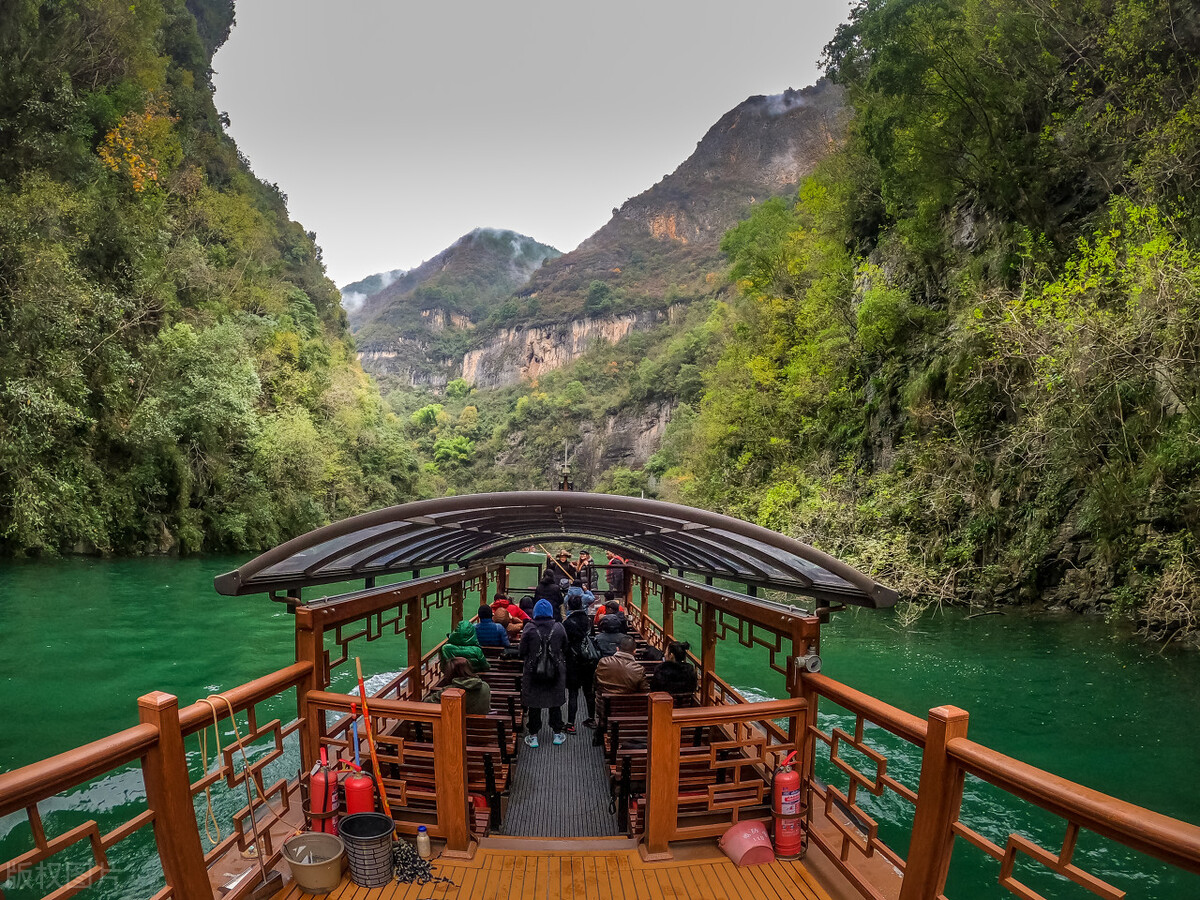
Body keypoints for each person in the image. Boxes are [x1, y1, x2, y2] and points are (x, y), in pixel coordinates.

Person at [519, 599, 568, 747]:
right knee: (555, 703)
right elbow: (565, 646)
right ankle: (557, 733)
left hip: (533, 670)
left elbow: (522, 651)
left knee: (534, 703)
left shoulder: (529, 628)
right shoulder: (559, 627)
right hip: (555, 670)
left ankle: (533, 735)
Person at [562, 595, 598, 731]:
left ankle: (571, 723)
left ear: (569, 606)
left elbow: (565, 643)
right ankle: (591, 718)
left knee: (573, 693)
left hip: (573, 661)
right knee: (589, 691)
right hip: (588, 660)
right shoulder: (588, 621)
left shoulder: (567, 623)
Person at [426, 657, 491, 715]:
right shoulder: (485, 686)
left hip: (455, 726)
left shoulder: (448, 691)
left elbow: (427, 703)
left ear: (450, 672)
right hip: (482, 725)